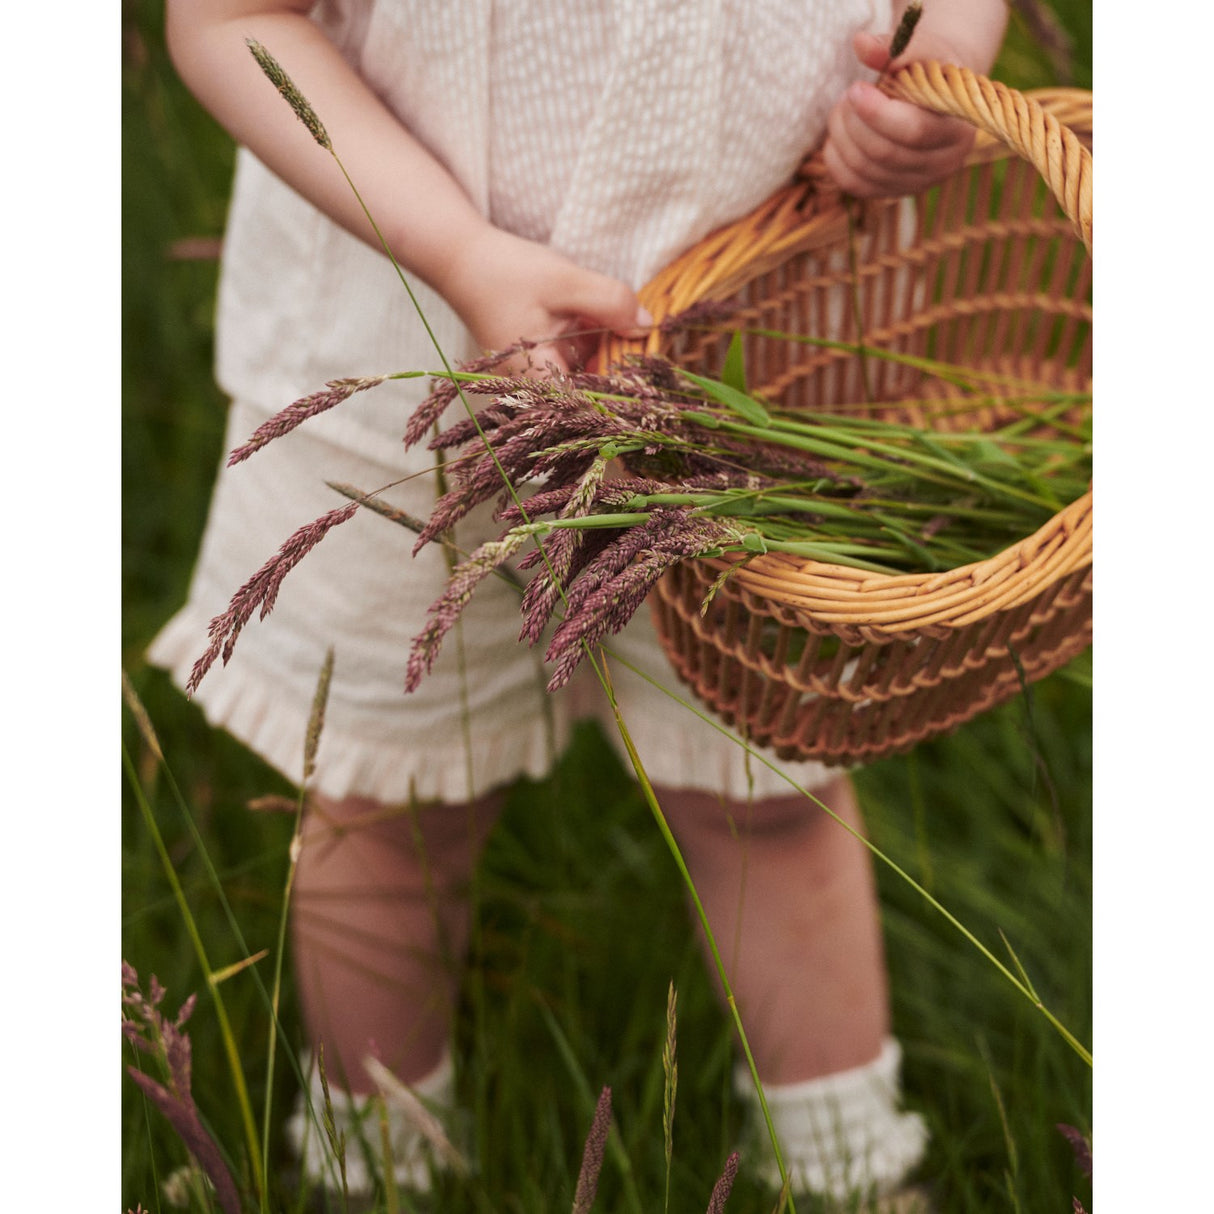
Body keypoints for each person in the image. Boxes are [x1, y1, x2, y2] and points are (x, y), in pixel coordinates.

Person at [150, 1, 1007, 1208]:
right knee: (390, 804)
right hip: (398, 374)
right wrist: (458, 252)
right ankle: (382, 1167)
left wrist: (944, 62)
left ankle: (845, 1173)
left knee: (771, 790)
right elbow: (229, 19)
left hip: (758, 377)